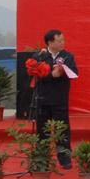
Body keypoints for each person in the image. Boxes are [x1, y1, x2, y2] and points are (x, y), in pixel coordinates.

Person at [31, 30, 78, 169]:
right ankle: (42, 159)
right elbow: (34, 74)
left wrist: (62, 72)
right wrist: (51, 75)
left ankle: (65, 158)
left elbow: (74, 72)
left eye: (63, 40)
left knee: (62, 129)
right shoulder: (39, 56)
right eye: (59, 41)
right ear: (50, 42)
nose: (62, 43)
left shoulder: (68, 56)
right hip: (42, 99)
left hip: (59, 99)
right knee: (42, 131)